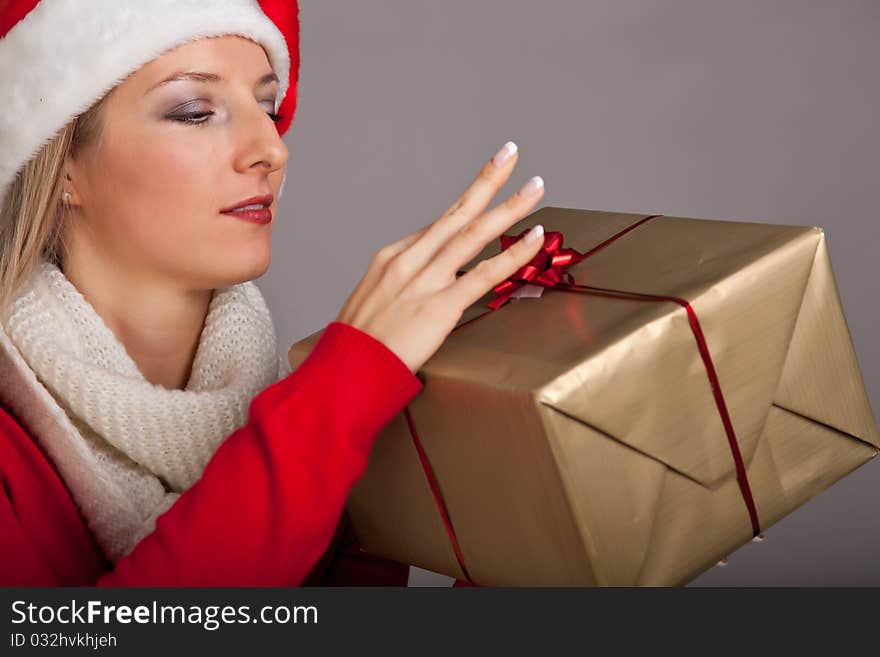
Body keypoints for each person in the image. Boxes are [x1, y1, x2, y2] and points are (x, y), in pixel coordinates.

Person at [0, 0, 547, 586]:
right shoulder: (322, 412)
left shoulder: (314, 418)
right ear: (60, 168)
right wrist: (346, 384)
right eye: (193, 112)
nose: (272, 148)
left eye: (266, 105)